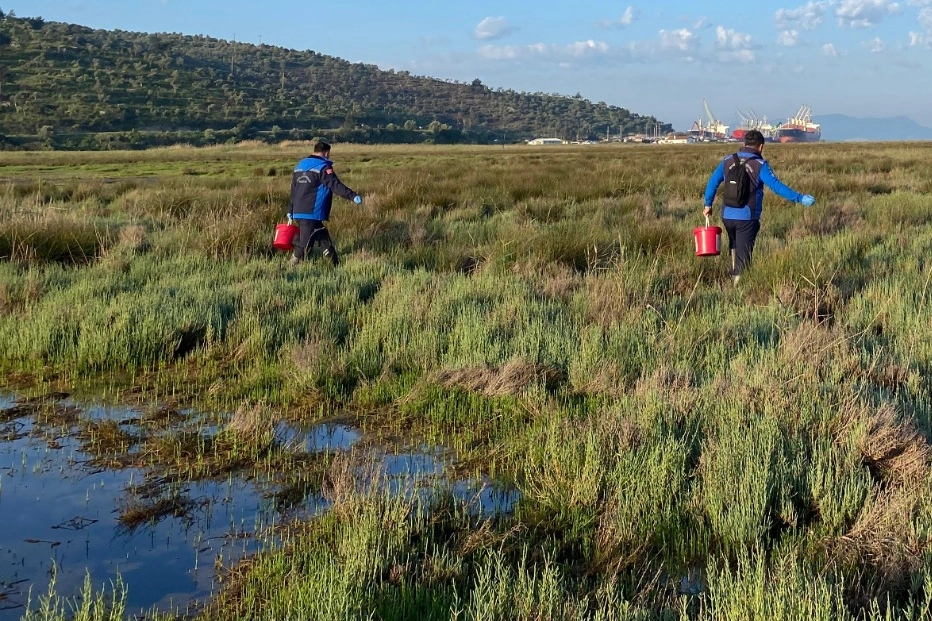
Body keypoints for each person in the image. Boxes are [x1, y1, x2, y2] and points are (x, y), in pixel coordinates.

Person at [702, 129, 815, 283]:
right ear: (761, 146)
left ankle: (733, 277)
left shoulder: (727, 160)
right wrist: (799, 198)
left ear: (743, 143)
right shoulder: (759, 164)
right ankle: (738, 290)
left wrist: (708, 205)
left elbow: (712, 183)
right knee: (744, 255)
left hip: (727, 215)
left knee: (734, 246)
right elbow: (776, 186)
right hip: (747, 217)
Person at [287, 141, 363, 267]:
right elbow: (335, 185)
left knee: (323, 238)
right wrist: (353, 196)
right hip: (311, 211)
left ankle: (336, 264)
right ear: (326, 153)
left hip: (298, 211)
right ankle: (291, 267)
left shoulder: (299, 166)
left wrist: (290, 209)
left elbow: (293, 190)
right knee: (305, 244)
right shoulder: (323, 167)